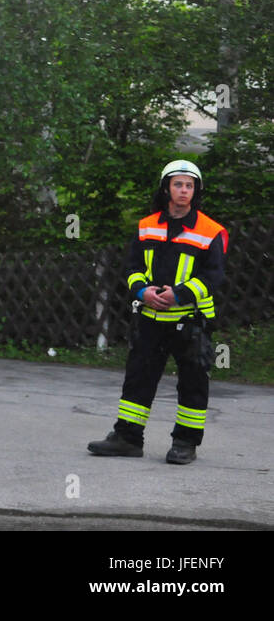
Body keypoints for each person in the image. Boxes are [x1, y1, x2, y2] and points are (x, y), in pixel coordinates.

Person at [88, 160, 227, 464]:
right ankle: (127, 438)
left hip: (190, 322)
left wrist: (178, 294)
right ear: (166, 188)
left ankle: (185, 443)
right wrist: (143, 291)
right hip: (150, 318)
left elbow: (213, 277)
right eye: (178, 184)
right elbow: (133, 268)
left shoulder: (210, 230)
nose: (183, 191)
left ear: (196, 191)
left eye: (189, 186)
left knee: (192, 382)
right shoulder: (147, 225)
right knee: (138, 378)